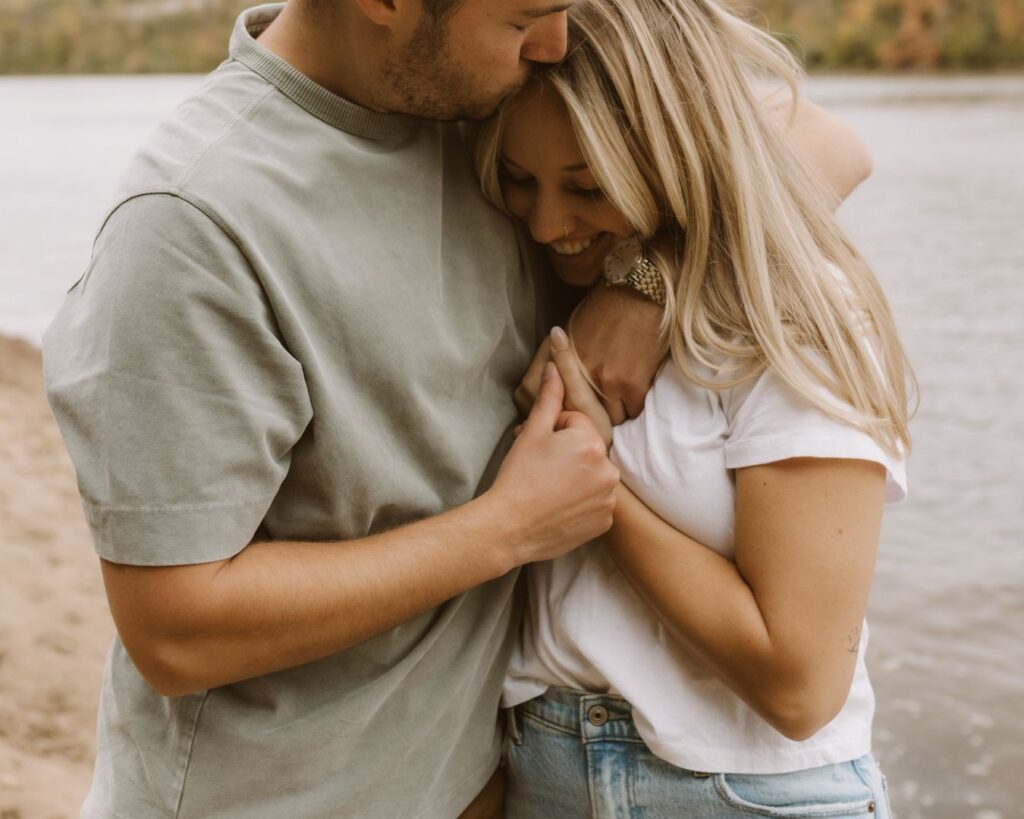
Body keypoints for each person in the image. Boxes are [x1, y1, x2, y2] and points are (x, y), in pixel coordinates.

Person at [42, 0, 873, 816]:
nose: (556, 42)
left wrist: (649, 282)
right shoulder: (192, 223)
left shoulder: (482, 115)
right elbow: (175, 631)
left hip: (488, 783)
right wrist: (509, 526)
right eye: (524, 18)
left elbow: (826, 145)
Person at [473, 0, 913, 815]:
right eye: (520, 180)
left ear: (670, 158)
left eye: (588, 187)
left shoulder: (792, 316)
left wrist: (592, 483)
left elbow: (799, 683)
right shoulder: (548, 275)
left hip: (747, 791)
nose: (548, 223)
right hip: (544, 771)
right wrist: (639, 275)